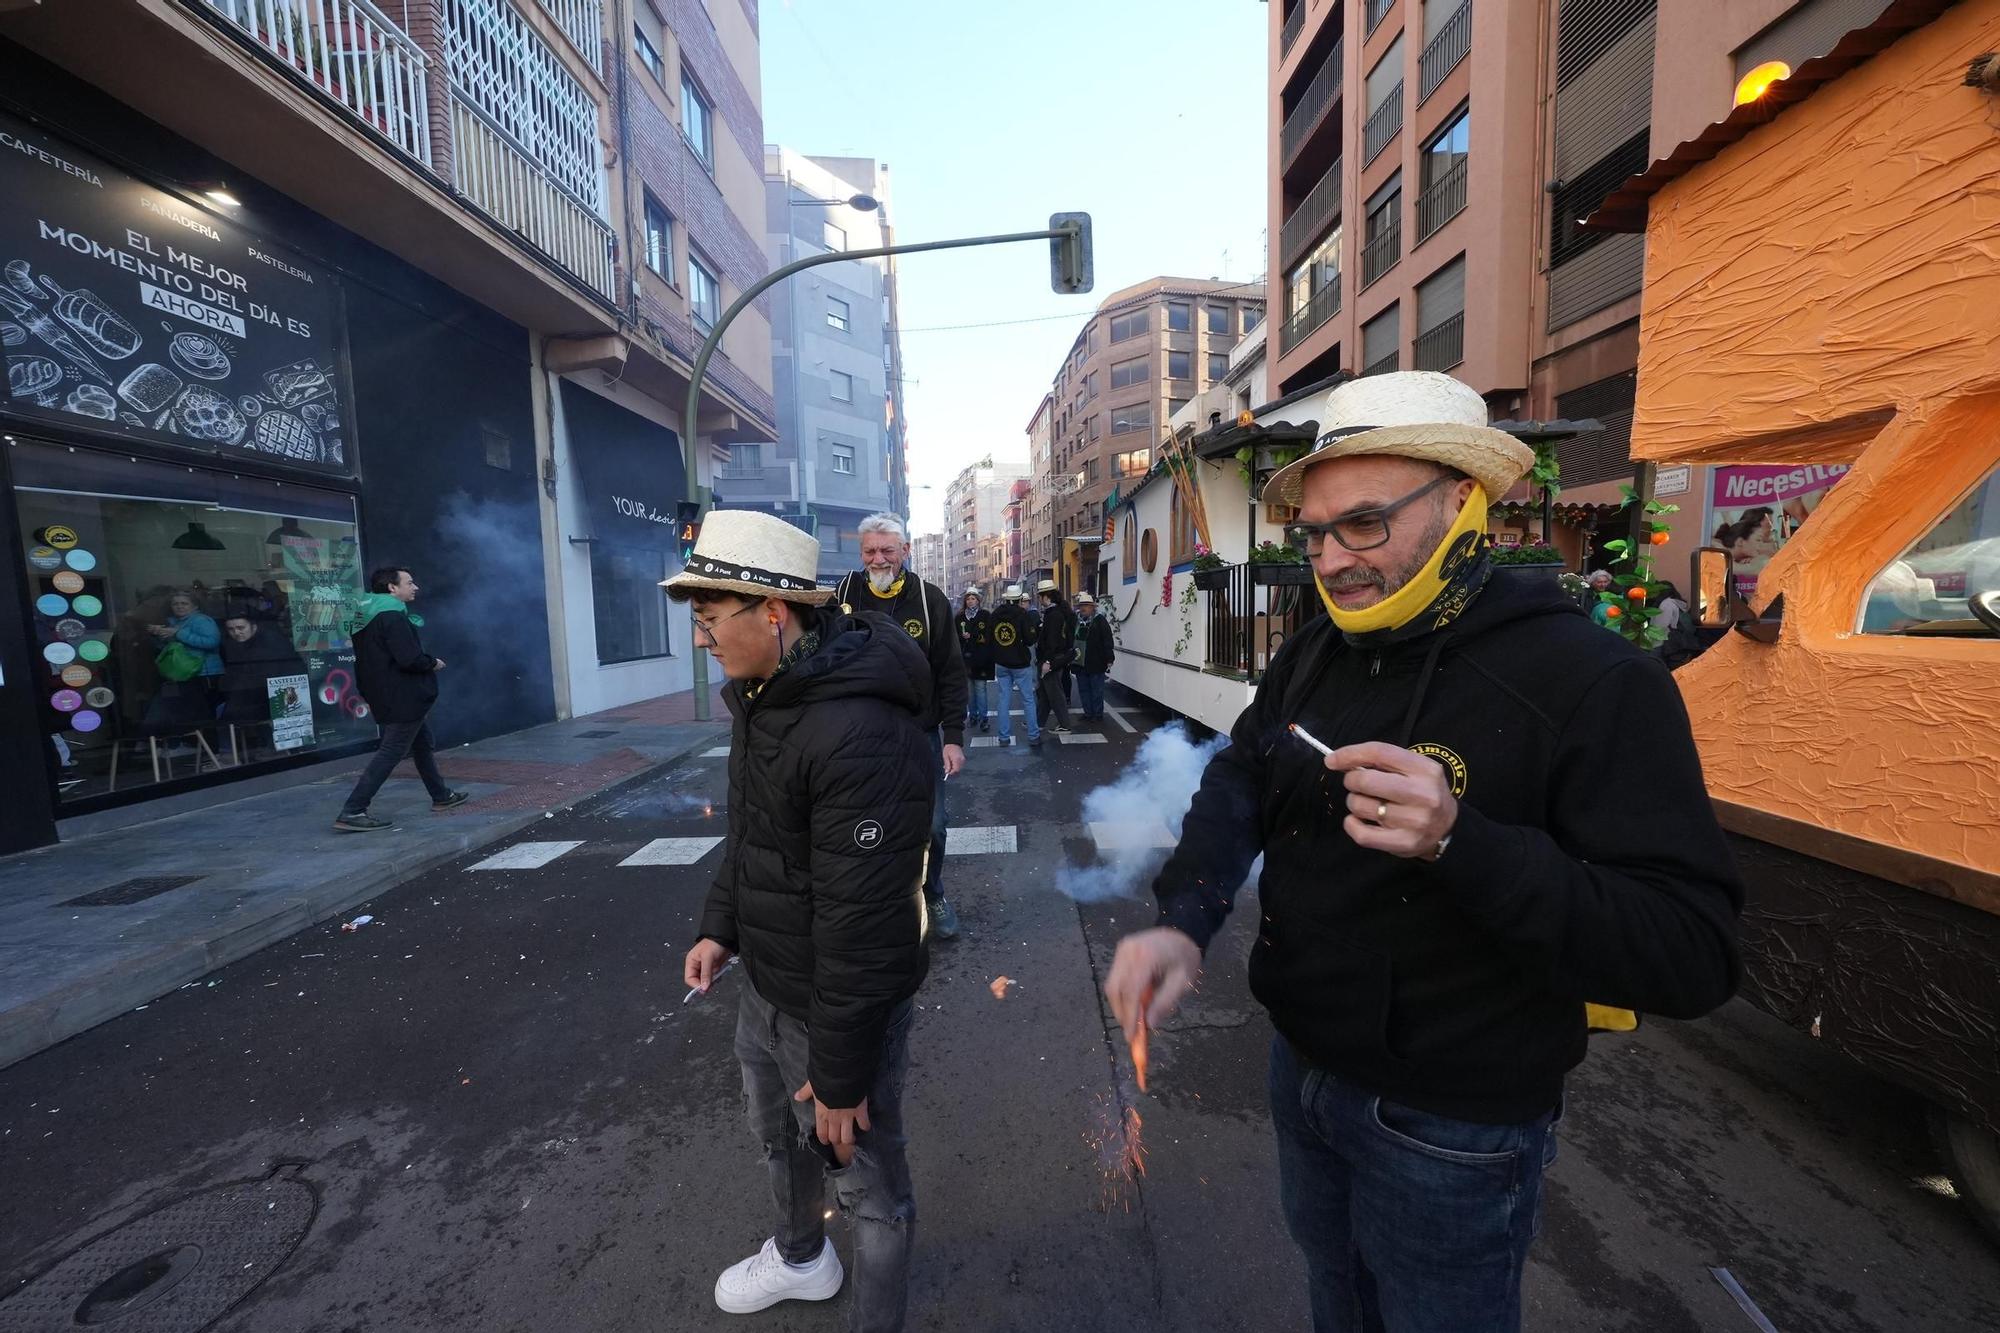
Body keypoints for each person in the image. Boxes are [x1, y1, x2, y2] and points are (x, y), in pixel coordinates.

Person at [1103, 371, 1743, 1333]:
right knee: (1337, 1302)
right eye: (1314, 533)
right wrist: (1183, 919)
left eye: (1364, 524)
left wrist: (1460, 842)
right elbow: (1243, 775)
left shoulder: (1593, 678)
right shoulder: (1315, 648)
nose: (1331, 560)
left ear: (1461, 502)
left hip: (1455, 1127)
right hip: (1302, 1069)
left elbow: (1694, 949)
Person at [672, 510, 932, 1331]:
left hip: (838, 1008)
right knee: (778, 1136)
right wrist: (723, 925)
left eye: (711, 621)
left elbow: (866, 915)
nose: (702, 639)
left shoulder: (857, 725)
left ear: (773, 612)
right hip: (770, 984)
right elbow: (754, 834)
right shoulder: (765, 692)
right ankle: (799, 1258)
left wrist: (843, 1070)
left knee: (870, 1190)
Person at [831, 514, 968, 941]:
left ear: (905, 552)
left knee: (933, 825)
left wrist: (954, 738)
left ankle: (934, 893)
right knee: (860, 826)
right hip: (857, 735)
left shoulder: (930, 601)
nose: (878, 559)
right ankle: (874, 905)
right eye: (870, 550)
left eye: (887, 550)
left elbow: (950, 670)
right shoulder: (841, 595)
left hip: (918, 735)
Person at [333, 567, 467, 831]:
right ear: (392, 588)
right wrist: (433, 663)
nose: (415, 587)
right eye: (409, 582)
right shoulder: (392, 617)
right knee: (392, 750)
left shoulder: (365, 617)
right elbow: (409, 659)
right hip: (402, 695)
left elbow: (366, 662)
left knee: (421, 743)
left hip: (383, 692)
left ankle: (441, 796)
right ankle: (353, 809)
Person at [218, 614, 309, 740]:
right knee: (224, 709)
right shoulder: (236, 644)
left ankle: (233, 752)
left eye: (240, 628)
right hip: (266, 693)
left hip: (283, 694)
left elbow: (264, 677)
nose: (236, 633)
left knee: (226, 712)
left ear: (253, 626)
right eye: (231, 629)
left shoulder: (269, 642)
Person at [143, 588, 225, 729]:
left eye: (184, 603)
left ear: (195, 606)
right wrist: (158, 634)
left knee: (202, 713)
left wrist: (179, 633)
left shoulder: (202, 620)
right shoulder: (173, 622)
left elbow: (212, 642)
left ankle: (209, 746)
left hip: (204, 673)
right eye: (175, 604)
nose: (179, 606)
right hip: (183, 674)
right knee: (189, 712)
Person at [988, 585, 1041, 750]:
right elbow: (1030, 639)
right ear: (1018, 599)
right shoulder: (1022, 614)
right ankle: (1033, 736)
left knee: (1003, 700)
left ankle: (1003, 737)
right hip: (1020, 663)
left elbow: (990, 637)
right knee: (1028, 700)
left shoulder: (996, 614)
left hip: (1002, 663)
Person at [1032, 579, 1076, 734]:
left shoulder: (1054, 615)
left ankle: (1065, 724)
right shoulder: (1056, 612)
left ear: (1046, 596)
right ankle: (1038, 722)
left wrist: (1047, 662)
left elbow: (1052, 641)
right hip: (1053, 658)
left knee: (1055, 694)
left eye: (1040, 596)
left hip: (1051, 659)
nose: (1038, 599)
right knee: (1044, 693)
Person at [954, 588, 994, 732]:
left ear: (978, 600)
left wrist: (973, 636)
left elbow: (989, 636)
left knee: (981, 689)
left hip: (981, 658)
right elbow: (953, 637)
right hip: (965, 659)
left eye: (973, 598)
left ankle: (984, 718)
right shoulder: (959, 617)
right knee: (969, 690)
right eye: (968, 599)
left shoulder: (985, 615)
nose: (970, 601)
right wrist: (961, 637)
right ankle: (973, 716)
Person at [1073, 592, 1115, 721]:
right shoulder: (1077, 621)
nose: (1083, 608)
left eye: (1086, 605)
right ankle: (1088, 713)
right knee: (1083, 689)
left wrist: (1109, 658)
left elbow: (1107, 639)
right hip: (1080, 662)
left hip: (1096, 661)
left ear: (1092, 607)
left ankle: (1097, 714)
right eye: (1081, 605)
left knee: (1097, 690)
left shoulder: (1100, 620)